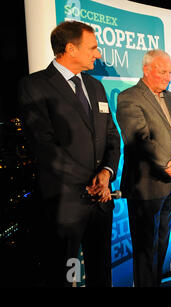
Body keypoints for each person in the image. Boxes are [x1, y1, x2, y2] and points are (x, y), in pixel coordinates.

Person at [18, 21, 121, 286]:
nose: (98, 54)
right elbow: (45, 146)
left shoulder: (95, 86)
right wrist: (90, 181)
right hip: (64, 204)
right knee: (64, 275)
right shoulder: (34, 86)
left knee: (101, 271)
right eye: (93, 47)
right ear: (70, 49)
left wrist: (107, 173)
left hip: (100, 201)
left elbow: (112, 136)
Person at [116, 50, 171, 286]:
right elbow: (139, 140)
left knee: (161, 244)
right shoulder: (129, 97)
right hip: (146, 185)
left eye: (169, 71)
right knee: (145, 249)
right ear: (146, 70)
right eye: (163, 71)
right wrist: (170, 164)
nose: (168, 77)